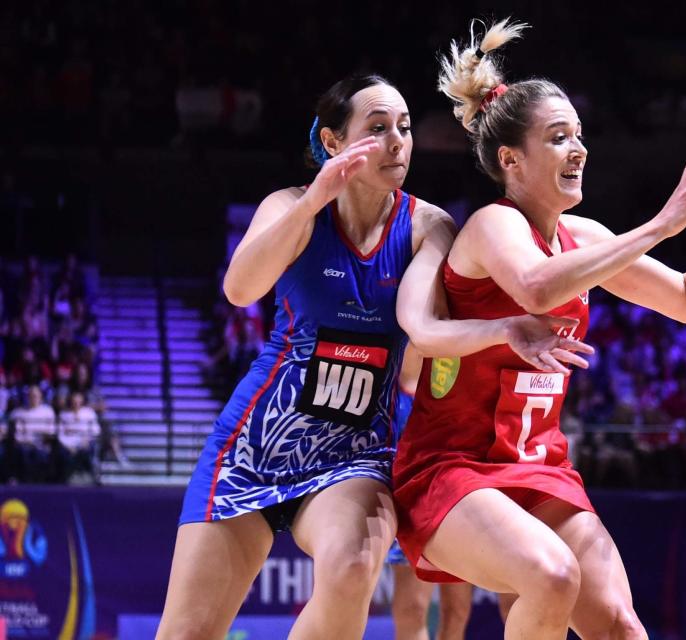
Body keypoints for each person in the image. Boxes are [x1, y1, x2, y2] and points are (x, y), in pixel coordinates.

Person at [157, 73, 592, 640]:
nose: (397, 142)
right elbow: (240, 289)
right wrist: (316, 195)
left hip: (355, 451)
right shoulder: (292, 207)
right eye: (379, 128)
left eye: (405, 128)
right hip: (257, 443)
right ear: (335, 142)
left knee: (355, 562)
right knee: (187, 631)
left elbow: (429, 329)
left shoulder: (427, 225)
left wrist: (502, 330)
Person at [393, 20, 686, 639]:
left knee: (622, 627)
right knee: (550, 576)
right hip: (451, 468)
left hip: (539, 466)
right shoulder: (492, 225)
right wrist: (655, 228)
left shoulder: (587, 238)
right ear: (511, 159)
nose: (580, 149)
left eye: (579, 135)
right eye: (559, 137)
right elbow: (538, 287)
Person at [389, 346, 473, 640]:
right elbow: (419, 339)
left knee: (457, 610)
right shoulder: (416, 353)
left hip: (463, 492)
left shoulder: (474, 363)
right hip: (416, 497)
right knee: (412, 607)